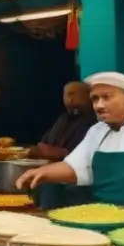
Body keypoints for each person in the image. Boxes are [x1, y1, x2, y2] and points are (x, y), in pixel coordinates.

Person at [17, 72, 124, 226]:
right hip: (111, 223)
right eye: (95, 98)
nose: (99, 105)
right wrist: (41, 173)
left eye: (107, 97)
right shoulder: (97, 130)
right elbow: (77, 167)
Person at [29, 81, 97, 209]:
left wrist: (60, 153)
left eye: (72, 94)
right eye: (65, 95)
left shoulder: (95, 122)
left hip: (76, 184)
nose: (69, 99)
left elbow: (84, 157)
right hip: (51, 177)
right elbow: (43, 144)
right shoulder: (63, 119)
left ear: (87, 96)